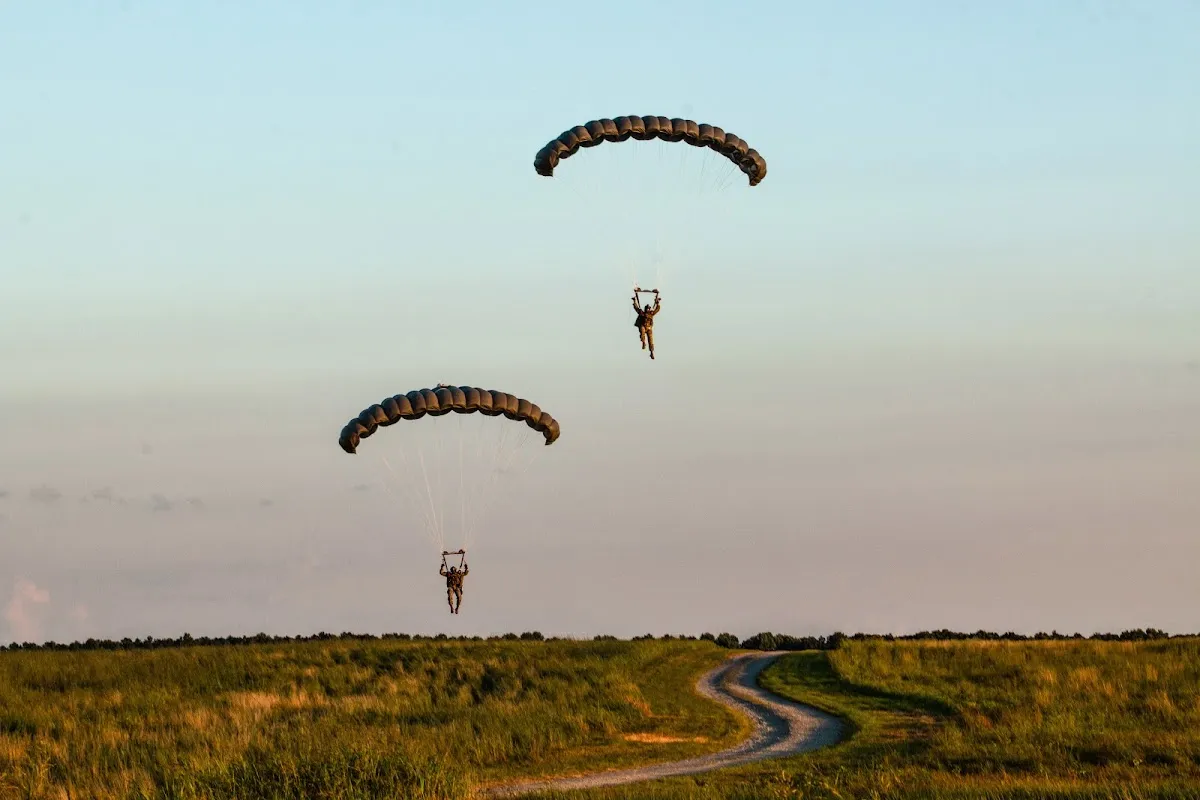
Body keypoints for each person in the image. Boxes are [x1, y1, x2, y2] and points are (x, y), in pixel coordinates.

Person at [632, 290, 662, 360]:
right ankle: (643, 342)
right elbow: (636, 309)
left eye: (648, 309)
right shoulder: (642, 313)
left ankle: (651, 352)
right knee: (642, 332)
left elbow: (657, 309)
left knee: (651, 340)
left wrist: (658, 303)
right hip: (643, 326)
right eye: (647, 309)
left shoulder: (651, 313)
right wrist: (634, 302)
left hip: (649, 328)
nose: (648, 310)